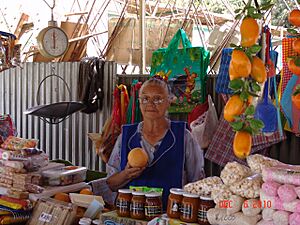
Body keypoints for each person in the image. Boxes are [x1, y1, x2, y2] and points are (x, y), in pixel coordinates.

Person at [106, 77, 205, 209]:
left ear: (169, 101)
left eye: (158, 99)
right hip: (133, 217)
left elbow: (198, 184)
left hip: (171, 218)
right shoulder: (126, 137)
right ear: (139, 102)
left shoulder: (183, 136)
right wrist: (126, 174)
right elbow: (111, 184)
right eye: (145, 98)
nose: (150, 104)